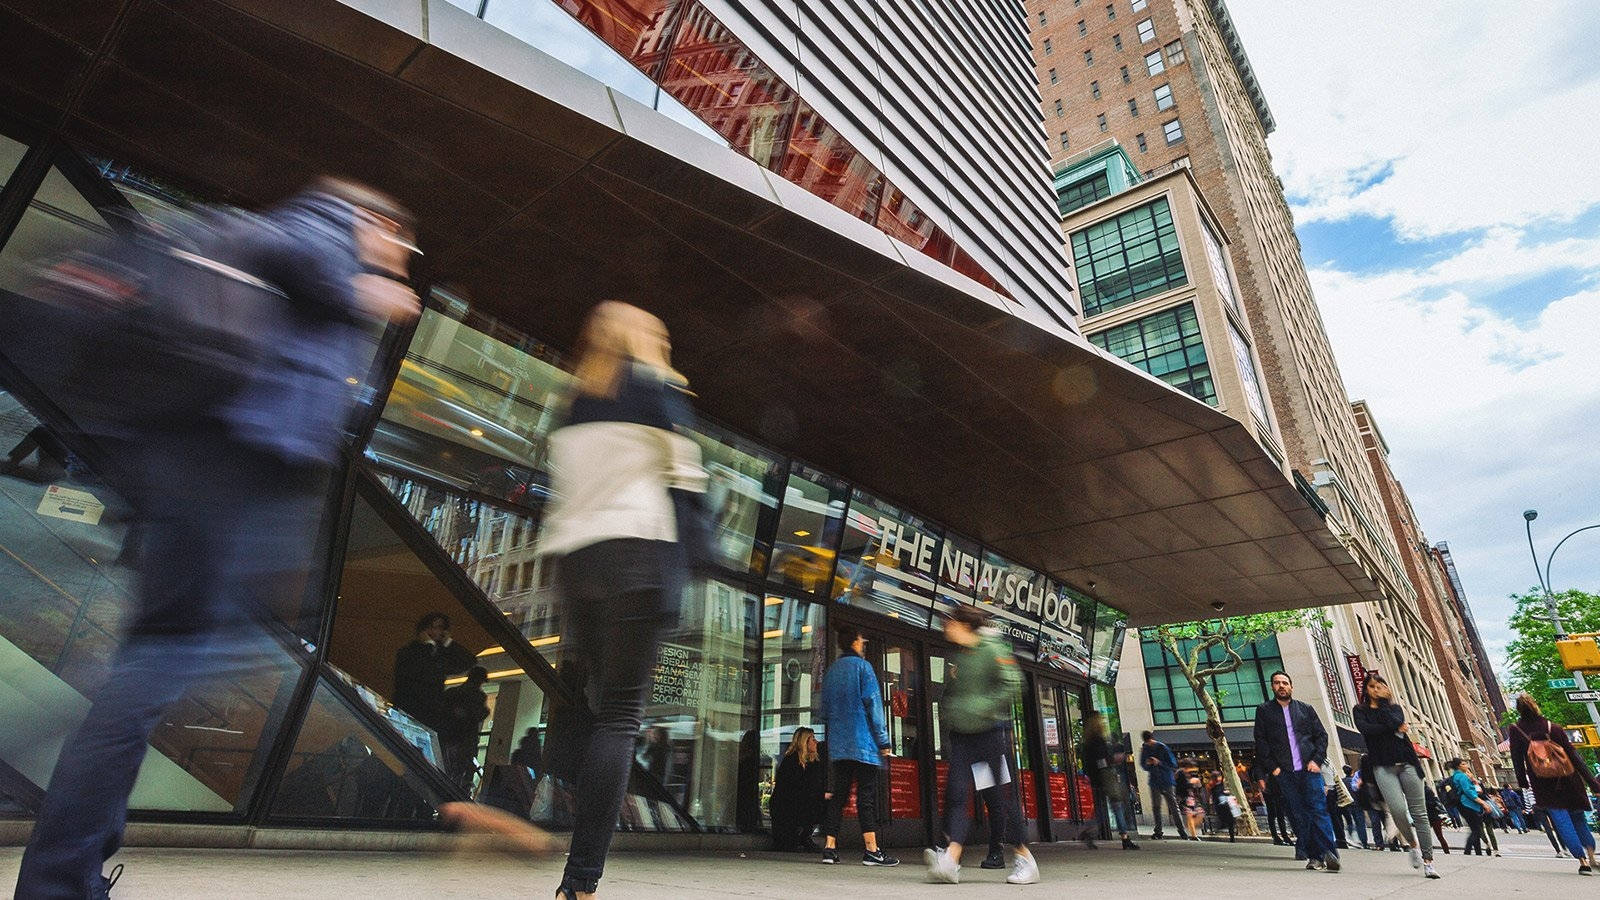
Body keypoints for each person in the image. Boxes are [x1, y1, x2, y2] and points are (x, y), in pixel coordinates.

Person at [14, 177, 422, 900]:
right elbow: (290, 251)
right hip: (233, 468)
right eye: (400, 237)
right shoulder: (321, 227)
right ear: (372, 220)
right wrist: (364, 291)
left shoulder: (306, 248)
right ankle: (58, 872)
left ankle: (69, 870)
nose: (404, 253)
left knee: (156, 664)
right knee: (164, 662)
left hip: (210, 469)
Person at [535, 301, 708, 900]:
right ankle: (580, 880)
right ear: (641, 339)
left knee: (596, 711)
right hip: (638, 557)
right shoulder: (653, 388)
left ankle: (568, 854)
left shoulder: (574, 399)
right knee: (621, 718)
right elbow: (688, 479)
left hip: (577, 563)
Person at [923, 606, 1039, 885]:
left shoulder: (991, 648)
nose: (945, 628)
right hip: (963, 739)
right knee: (956, 794)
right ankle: (950, 859)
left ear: (963, 625)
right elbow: (950, 694)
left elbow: (1014, 683)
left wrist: (985, 709)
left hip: (989, 736)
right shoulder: (958, 656)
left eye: (949, 623)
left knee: (1000, 798)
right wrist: (951, 712)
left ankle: (1024, 858)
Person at [819, 625, 898, 868]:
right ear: (854, 642)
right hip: (864, 744)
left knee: (838, 796)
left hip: (840, 745)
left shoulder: (831, 672)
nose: (864, 644)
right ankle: (872, 851)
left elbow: (824, 711)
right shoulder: (864, 668)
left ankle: (830, 848)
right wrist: (883, 741)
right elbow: (874, 706)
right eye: (862, 641)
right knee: (866, 798)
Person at [1351, 672, 1438, 878]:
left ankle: (1428, 861)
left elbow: (1393, 722)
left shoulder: (1394, 708)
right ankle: (1413, 844)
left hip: (1408, 762)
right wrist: (1392, 728)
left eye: (1379, 685)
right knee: (1398, 811)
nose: (1375, 689)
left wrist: (1384, 706)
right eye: (1371, 686)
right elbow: (1366, 729)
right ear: (1365, 690)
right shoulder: (1359, 710)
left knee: (1420, 813)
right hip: (1382, 765)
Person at [1252, 670, 1340, 872]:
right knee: (1300, 815)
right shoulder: (1264, 711)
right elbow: (1261, 741)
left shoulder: (1306, 709)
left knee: (1318, 810)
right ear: (1272, 687)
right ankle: (1314, 857)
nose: (1281, 686)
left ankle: (1330, 852)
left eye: (1285, 682)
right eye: (1277, 683)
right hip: (1285, 773)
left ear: (1291, 686)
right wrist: (1273, 768)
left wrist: (1317, 761)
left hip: (1309, 770)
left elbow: (1321, 736)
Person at [1507, 693, 1600, 875]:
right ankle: (1591, 856)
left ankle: (1582, 862)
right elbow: (1575, 757)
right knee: (1579, 819)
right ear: (1535, 706)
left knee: (1562, 821)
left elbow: (1516, 758)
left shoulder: (1516, 730)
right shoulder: (1554, 728)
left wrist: (1523, 781)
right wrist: (1593, 783)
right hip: (1569, 779)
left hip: (1543, 783)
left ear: (1519, 710)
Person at [393, 612, 476, 730]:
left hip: (431, 712)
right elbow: (424, 671)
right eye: (433, 627)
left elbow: (468, 661)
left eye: (440, 628)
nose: (437, 632)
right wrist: (428, 645)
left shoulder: (441, 654)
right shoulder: (409, 652)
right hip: (410, 708)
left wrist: (449, 642)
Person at [1082, 711, 1140, 850]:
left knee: (1103, 810)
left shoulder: (1089, 741)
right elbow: (1100, 760)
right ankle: (1124, 838)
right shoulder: (1098, 740)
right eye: (1101, 720)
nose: (1103, 722)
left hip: (1098, 778)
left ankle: (1090, 832)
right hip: (1106, 776)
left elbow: (1088, 763)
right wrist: (1112, 760)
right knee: (1116, 806)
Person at [769, 727, 826, 852]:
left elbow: (815, 785)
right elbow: (792, 789)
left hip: (801, 802)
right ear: (804, 742)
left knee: (820, 803)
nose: (816, 742)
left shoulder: (813, 761)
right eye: (813, 739)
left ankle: (804, 835)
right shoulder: (791, 761)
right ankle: (798, 836)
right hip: (787, 805)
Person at [439, 666, 490, 789]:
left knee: (446, 770)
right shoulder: (478, 696)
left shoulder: (452, 693)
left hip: (449, 739)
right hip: (465, 741)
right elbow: (479, 714)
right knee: (463, 774)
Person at [1139, 731, 1187, 840]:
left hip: (1165, 780)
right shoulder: (1145, 749)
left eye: (1149, 743)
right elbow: (1143, 765)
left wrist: (1158, 762)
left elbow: (1173, 764)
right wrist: (1148, 764)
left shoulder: (1162, 748)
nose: (1148, 745)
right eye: (1147, 743)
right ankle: (1159, 831)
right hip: (1155, 781)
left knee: (1173, 806)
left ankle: (1182, 831)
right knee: (1157, 807)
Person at [1444, 758, 1489, 856]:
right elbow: (1469, 792)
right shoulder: (1462, 777)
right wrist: (1483, 803)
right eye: (1464, 764)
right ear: (1459, 766)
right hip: (1468, 804)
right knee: (1476, 830)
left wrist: (1473, 780)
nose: (1467, 765)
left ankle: (1478, 852)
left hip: (1462, 804)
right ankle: (1467, 851)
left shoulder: (1455, 776)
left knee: (1474, 828)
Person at [1254, 757, 1293, 846]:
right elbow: (1258, 768)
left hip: (1278, 785)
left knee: (1280, 813)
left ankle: (1284, 836)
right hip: (1269, 787)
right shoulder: (1263, 755)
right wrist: (1261, 781)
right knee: (1272, 812)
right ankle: (1276, 836)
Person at [1340, 765, 1370, 848]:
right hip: (1357, 804)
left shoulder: (1343, 781)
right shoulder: (1355, 780)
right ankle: (1364, 842)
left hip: (1347, 805)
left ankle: (1350, 837)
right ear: (1352, 772)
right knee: (1360, 824)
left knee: (1349, 821)